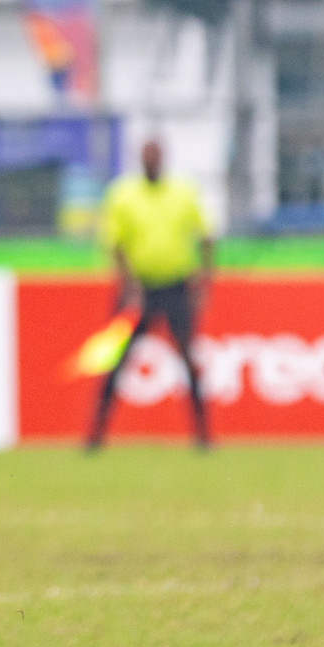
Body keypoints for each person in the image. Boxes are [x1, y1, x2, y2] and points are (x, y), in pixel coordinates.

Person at [85, 137, 213, 450]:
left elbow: (206, 237)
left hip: (176, 286)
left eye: (156, 155)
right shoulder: (123, 194)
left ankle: (203, 436)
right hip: (139, 289)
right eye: (147, 156)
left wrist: (204, 282)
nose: (152, 161)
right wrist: (128, 285)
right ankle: (95, 436)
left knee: (188, 360)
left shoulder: (183, 192)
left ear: (163, 158)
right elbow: (115, 244)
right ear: (140, 159)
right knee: (116, 361)